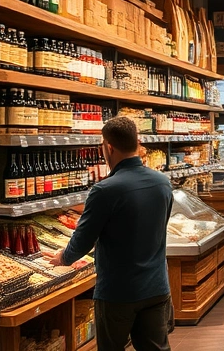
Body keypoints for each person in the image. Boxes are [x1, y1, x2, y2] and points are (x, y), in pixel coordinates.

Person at [46, 117, 173, 351]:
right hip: (156, 286)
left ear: (108, 147)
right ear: (138, 142)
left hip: (118, 291)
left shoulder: (105, 190)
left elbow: (84, 239)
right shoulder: (162, 183)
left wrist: (63, 258)